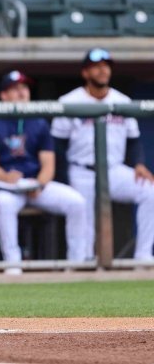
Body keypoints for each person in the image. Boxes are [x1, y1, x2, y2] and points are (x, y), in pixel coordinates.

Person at [51, 48, 154, 262]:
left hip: (114, 170)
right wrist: (63, 179)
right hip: (81, 170)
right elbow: (57, 145)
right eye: (96, 66)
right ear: (85, 73)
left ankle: (144, 255)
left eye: (106, 66)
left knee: (150, 192)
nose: (102, 70)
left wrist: (139, 164)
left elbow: (133, 140)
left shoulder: (123, 101)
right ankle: (80, 263)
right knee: (82, 220)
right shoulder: (69, 100)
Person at [0, 71, 87, 275]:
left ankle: (77, 264)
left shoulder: (38, 122)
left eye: (24, 88)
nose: (22, 93)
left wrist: (39, 183)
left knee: (77, 202)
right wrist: (5, 177)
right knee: (4, 204)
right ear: (3, 96)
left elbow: (48, 164)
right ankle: (13, 265)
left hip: (36, 185)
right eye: (15, 89)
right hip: (8, 186)